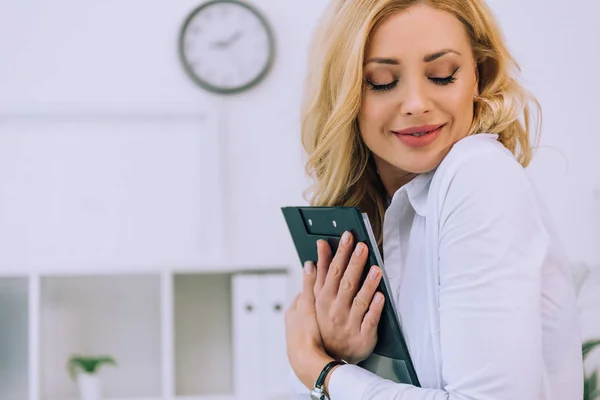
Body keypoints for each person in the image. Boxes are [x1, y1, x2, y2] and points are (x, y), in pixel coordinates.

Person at [283, 0, 584, 399]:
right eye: (382, 81)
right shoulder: (387, 212)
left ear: (479, 74)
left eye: (442, 75)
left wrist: (324, 373)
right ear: (346, 94)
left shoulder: (477, 173)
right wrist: (349, 358)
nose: (416, 104)